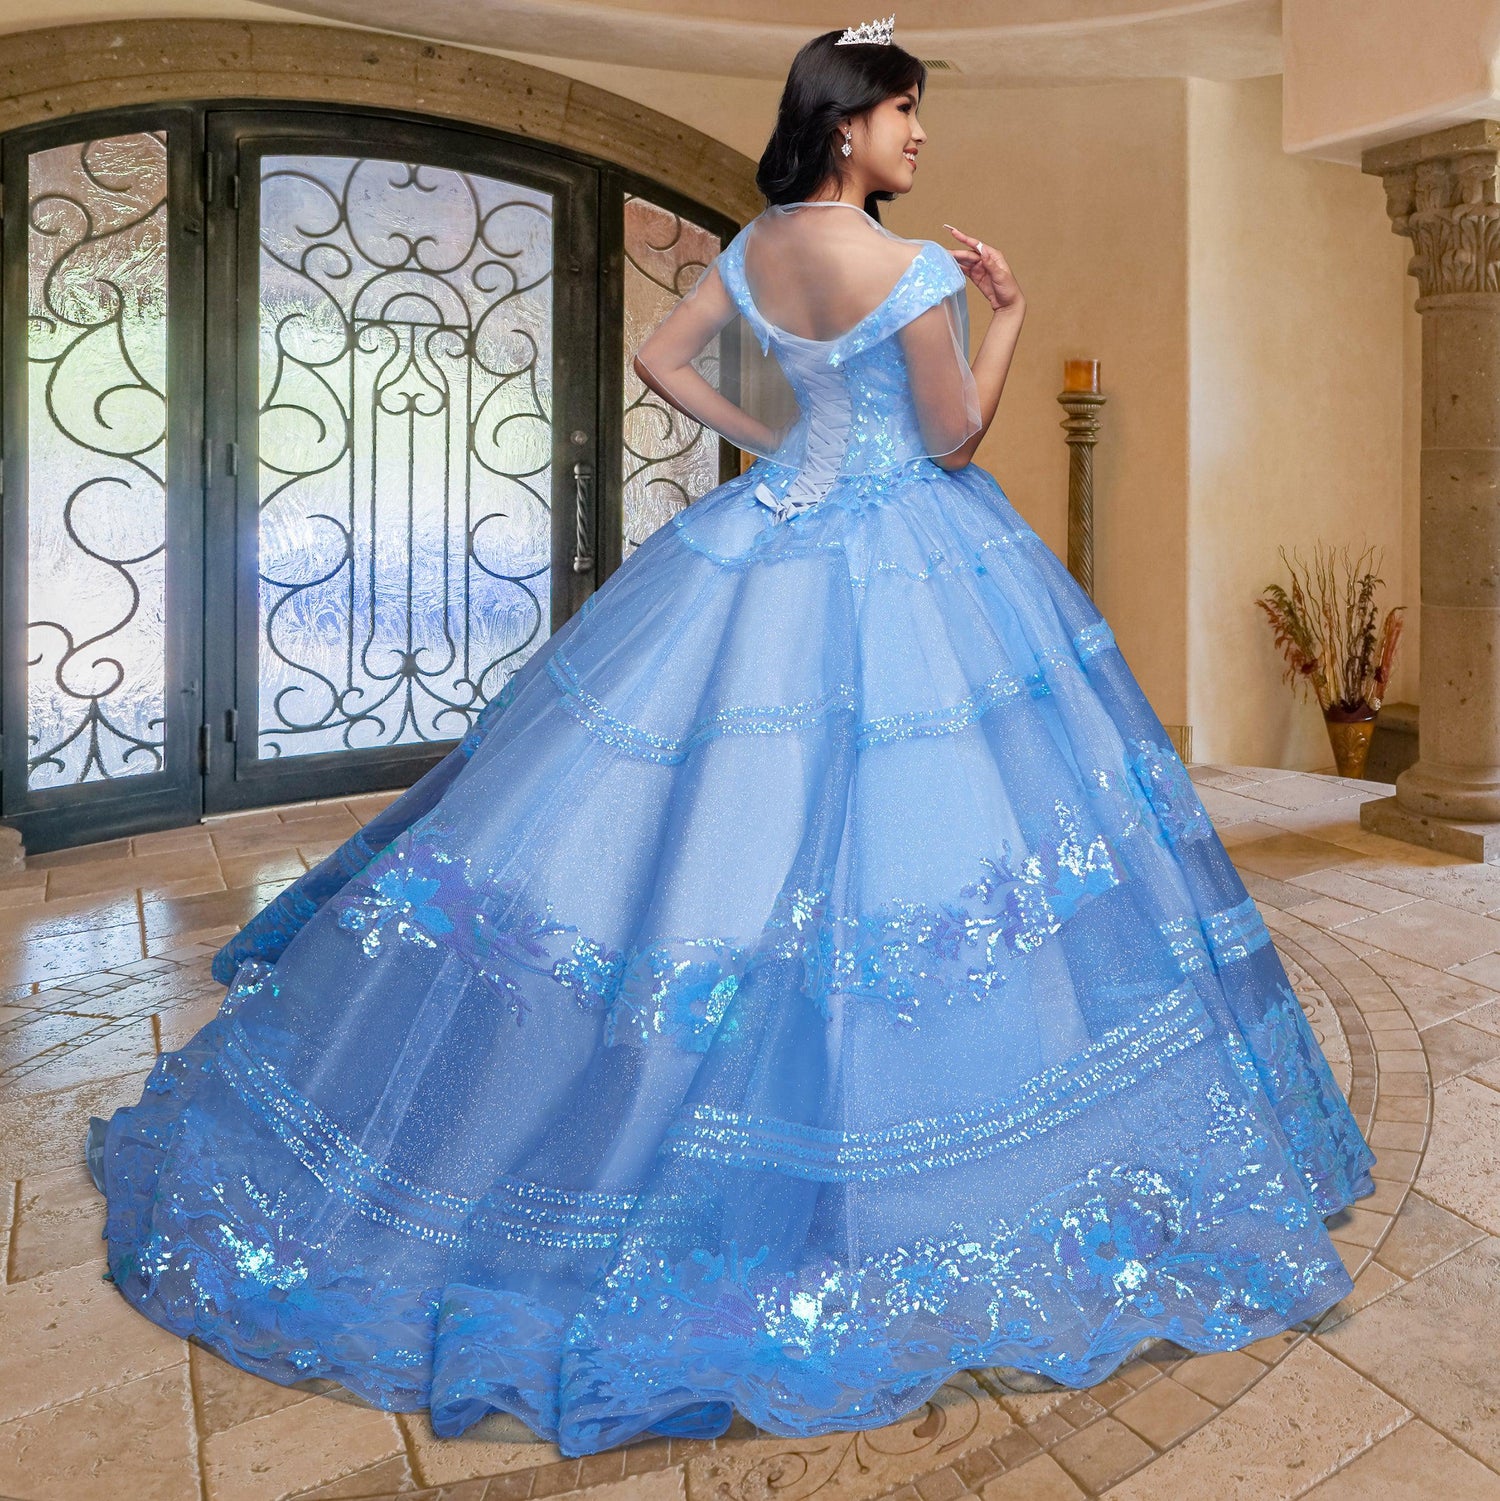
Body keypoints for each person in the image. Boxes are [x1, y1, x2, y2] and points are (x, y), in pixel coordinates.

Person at [87, 16, 1376, 1460]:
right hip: (912, 556)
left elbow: (660, 360)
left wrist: (776, 455)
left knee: (710, 820)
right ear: (849, 124)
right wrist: (1004, 308)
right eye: (904, 114)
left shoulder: (756, 253)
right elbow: (954, 443)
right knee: (935, 836)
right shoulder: (923, 269)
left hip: (772, 541)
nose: (919, 137)